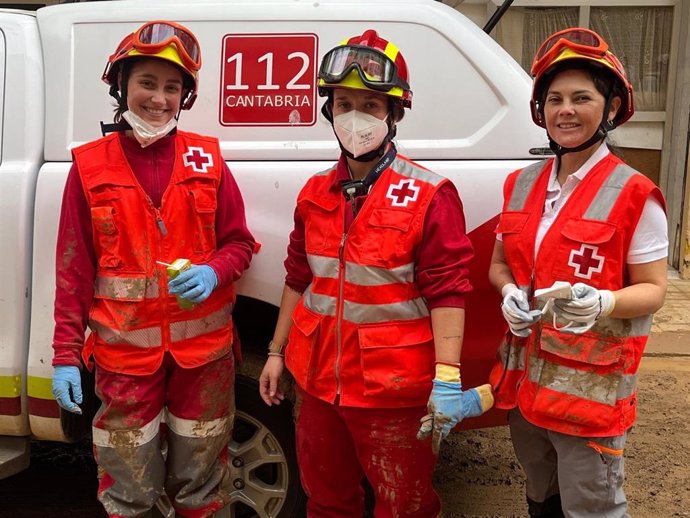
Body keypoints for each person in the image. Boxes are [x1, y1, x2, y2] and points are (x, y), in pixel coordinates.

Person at [258, 29, 493, 517]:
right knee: (325, 502)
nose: (355, 117)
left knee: (404, 506)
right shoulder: (315, 192)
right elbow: (298, 278)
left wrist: (447, 379)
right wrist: (276, 353)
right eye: (343, 103)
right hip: (320, 385)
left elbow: (449, 290)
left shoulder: (430, 193)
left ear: (394, 112)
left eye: (370, 104)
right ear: (329, 111)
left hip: (395, 392)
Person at [50, 20, 255, 518]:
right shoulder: (89, 168)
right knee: (129, 488)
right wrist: (64, 353)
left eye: (172, 87)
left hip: (204, 360)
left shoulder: (208, 159)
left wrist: (214, 271)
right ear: (121, 86)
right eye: (146, 83)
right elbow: (74, 271)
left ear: (185, 96)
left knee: (203, 488)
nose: (159, 98)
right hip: (123, 363)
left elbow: (240, 243)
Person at [488, 28, 668, 518]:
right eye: (554, 99)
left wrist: (604, 302)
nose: (565, 110)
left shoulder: (635, 194)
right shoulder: (520, 184)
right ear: (540, 111)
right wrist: (507, 292)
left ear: (610, 109)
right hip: (527, 386)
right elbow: (500, 265)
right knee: (540, 493)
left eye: (581, 98)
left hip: (591, 396)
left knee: (592, 507)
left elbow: (653, 290)